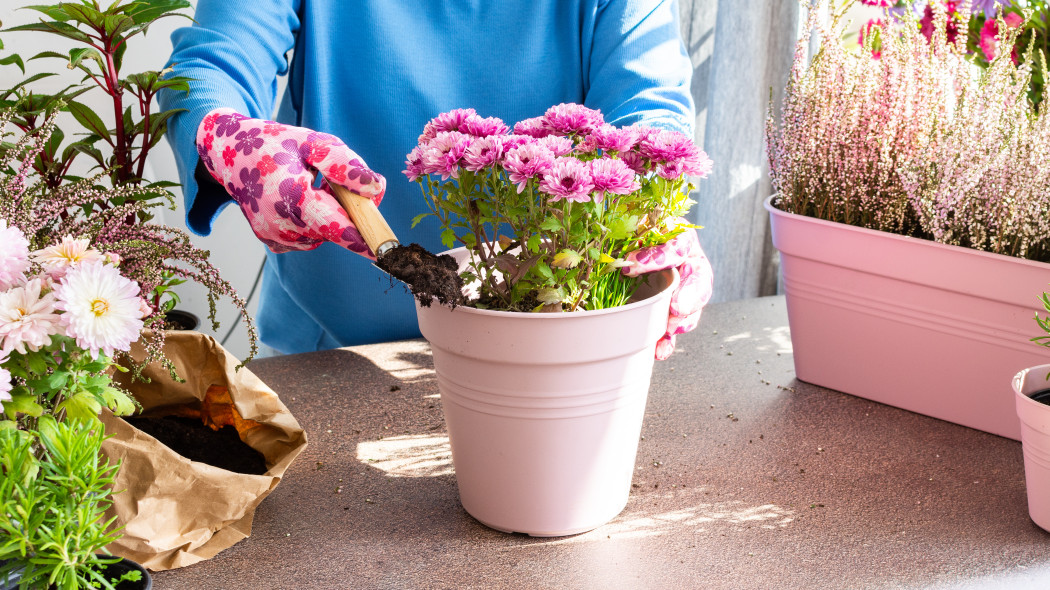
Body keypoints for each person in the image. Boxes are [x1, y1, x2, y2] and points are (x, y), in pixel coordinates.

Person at [160, 0, 710, 356]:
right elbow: (215, 62)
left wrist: (653, 219)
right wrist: (226, 134)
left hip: (548, 345)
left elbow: (648, 106)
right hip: (331, 350)